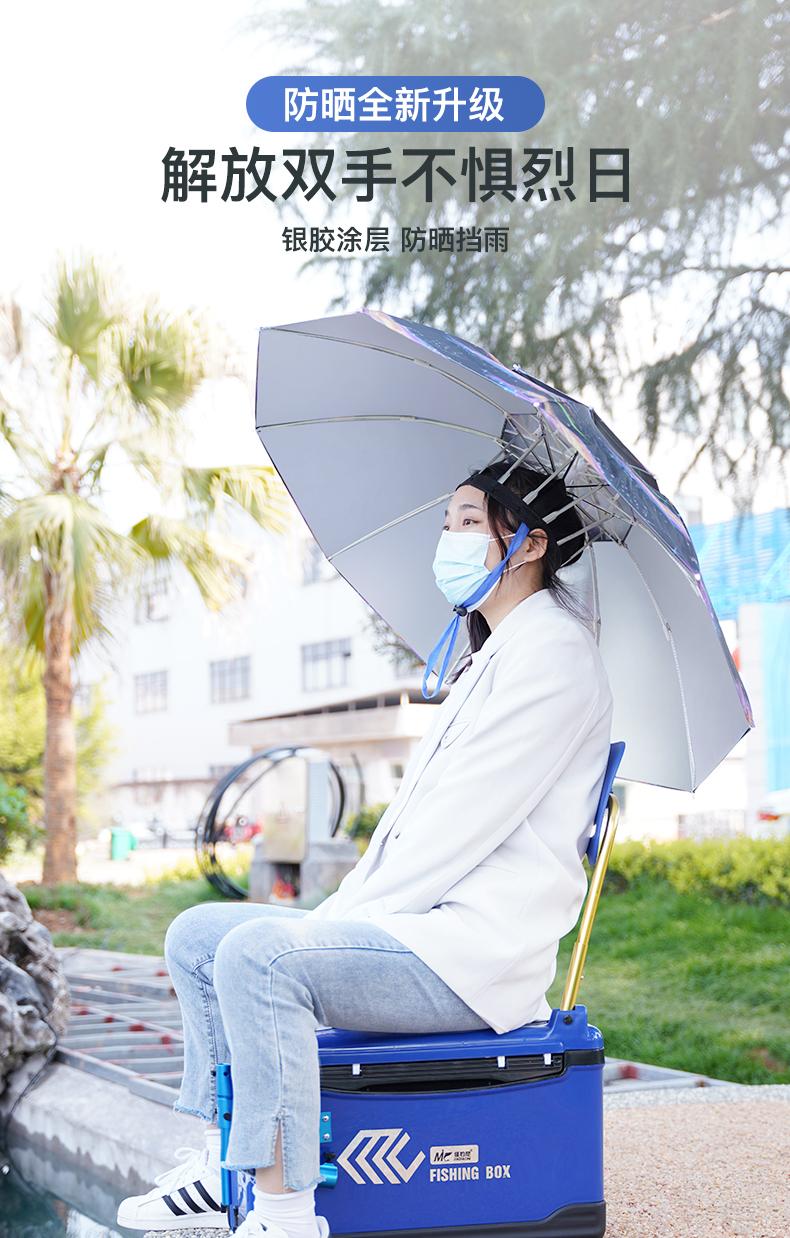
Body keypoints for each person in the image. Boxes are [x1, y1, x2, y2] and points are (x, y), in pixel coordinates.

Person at [116, 462, 614, 1238]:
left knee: (260, 958)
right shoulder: (494, 653)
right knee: (198, 937)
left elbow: (457, 832)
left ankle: (285, 1214)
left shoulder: (553, 654)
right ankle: (225, 1165)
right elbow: (417, 828)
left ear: (530, 544)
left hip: (469, 960)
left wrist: (327, 925)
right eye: (447, 523)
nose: (448, 539)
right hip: (421, 930)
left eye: (468, 522)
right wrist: (339, 916)